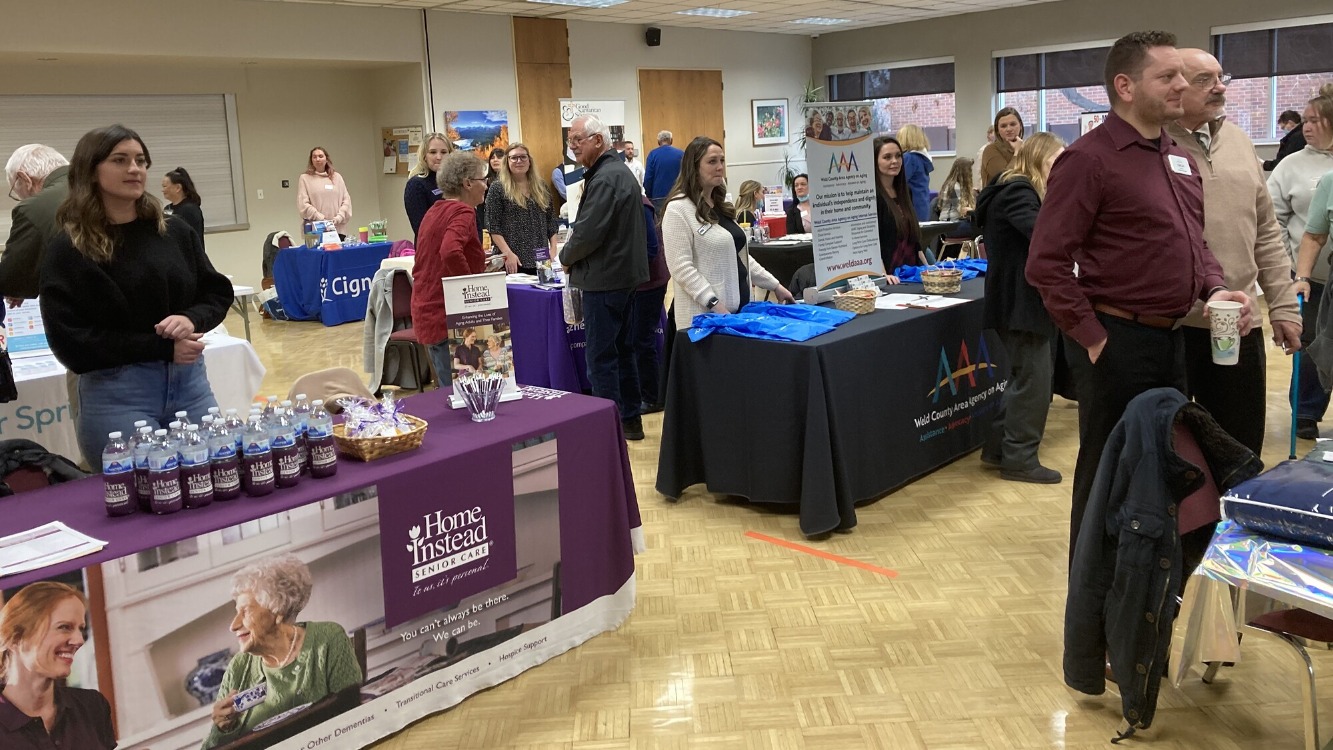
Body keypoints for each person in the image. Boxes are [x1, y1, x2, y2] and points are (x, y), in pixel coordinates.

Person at [1025, 31, 1252, 561]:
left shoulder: (1176, 155)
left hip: (1171, 341)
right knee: (1108, 475)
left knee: (1163, 472)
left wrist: (1217, 288)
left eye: (1184, 75)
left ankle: (1148, 587)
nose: (1182, 86)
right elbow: (1046, 264)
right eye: (1167, 76)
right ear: (1124, 86)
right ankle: (1092, 612)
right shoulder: (1088, 160)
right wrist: (1093, 338)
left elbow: (1195, 244)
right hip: (1117, 344)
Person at [40, 124, 233, 467]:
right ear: (90, 170)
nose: (135, 169)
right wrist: (161, 346)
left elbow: (215, 292)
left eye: (141, 160)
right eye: (120, 160)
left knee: (215, 483)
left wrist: (191, 318)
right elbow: (73, 343)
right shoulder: (68, 249)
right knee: (139, 503)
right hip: (117, 395)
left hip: (191, 385)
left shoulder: (173, 231)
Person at [1166, 48, 1301, 455]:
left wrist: (1282, 306)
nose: (1219, 87)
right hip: (1168, 329)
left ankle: (1231, 519)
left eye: (1221, 77)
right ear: (1176, 87)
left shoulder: (1240, 142)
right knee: (1171, 454)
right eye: (1205, 80)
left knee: (1240, 448)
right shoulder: (1152, 145)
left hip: (1237, 324)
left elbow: (1267, 234)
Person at [976, 132, 1067, 483]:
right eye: (1055, 161)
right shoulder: (1019, 191)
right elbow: (1045, 236)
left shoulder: (1017, 190)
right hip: (1021, 305)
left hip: (1017, 303)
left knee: (1024, 379)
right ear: (1038, 159)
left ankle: (999, 450)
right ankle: (1019, 459)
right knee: (1034, 383)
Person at [205, 554, 361, 749]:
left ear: (277, 611)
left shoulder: (327, 639)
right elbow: (210, 748)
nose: (233, 625)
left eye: (245, 611)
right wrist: (222, 727)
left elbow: (355, 715)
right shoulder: (239, 667)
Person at [558, 115, 649, 441]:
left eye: (577, 140)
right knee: (622, 352)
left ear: (597, 140)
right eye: (571, 141)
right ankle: (629, 422)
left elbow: (587, 234)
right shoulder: (615, 173)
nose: (572, 146)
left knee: (601, 358)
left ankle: (607, 432)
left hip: (605, 279)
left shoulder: (607, 177)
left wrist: (565, 257)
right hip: (622, 278)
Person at [662, 136, 794, 330]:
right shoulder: (678, 209)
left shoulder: (722, 207)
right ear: (694, 166)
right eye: (712, 161)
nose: (720, 167)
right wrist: (714, 304)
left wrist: (775, 286)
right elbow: (681, 269)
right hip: (705, 320)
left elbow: (740, 257)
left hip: (738, 313)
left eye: (722, 160)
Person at [1274, 85, 1333, 437]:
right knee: (1311, 344)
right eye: (1305, 120)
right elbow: (1274, 217)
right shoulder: (1292, 164)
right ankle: (1306, 412)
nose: (1306, 127)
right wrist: (1291, 265)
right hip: (1311, 276)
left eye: (1315, 120)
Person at [0, 582, 115, 750]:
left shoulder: (91, 706)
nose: (79, 640)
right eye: (64, 627)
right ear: (16, 638)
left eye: (80, 629)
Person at [412, 151, 489, 382]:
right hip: (446, 313)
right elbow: (450, 251)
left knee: (449, 389)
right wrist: (469, 287)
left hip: (428, 308)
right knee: (460, 393)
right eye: (483, 180)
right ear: (467, 183)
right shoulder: (463, 211)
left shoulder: (434, 210)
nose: (486, 186)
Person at [0, 145, 69, 307]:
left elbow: (11, 280)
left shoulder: (36, 207)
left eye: (20, 195)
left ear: (24, 179)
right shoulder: (100, 183)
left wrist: (18, 286)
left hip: (90, 324)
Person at [485, 143, 559, 274]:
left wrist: (553, 249)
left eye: (523, 157)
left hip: (541, 258)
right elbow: (493, 226)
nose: (519, 161)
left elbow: (551, 221)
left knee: (543, 292)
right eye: (514, 158)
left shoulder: (541, 186)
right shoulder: (497, 188)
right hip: (513, 259)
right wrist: (507, 254)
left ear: (529, 160)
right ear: (507, 161)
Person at [632, 194, 669, 414]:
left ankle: (652, 397)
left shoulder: (641, 204)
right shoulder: (638, 202)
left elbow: (650, 248)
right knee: (638, 339)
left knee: (641, 340)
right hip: (641, 282)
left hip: (648, 283)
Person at [873, 136, 920, 278]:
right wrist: (882, 275)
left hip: (912, 272)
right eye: (887, 157)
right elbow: (874, 243)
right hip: (890, 275)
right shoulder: (872, 197)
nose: (894, 161)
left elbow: (915, 242)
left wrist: (929, 268)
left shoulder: (906, 192)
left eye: (898, 156)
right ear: (875, 161)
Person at [403, 132, 452, 239]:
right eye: (433, 152)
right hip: (431, 249)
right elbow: (422, 229)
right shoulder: (416, 185)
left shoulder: (456, 182)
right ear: (424, 156)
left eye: (444, 152)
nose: (439, 157)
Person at [297, 146, 352, 237]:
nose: (318, 159)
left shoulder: (337, 177)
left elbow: (346, 201)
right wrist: (319, 217)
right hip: (315, 230)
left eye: (320, 156)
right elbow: (303, 204)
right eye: (314, 157)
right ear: (311, 161)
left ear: (326, 159)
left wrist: (338, 218)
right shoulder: (305, 178)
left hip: (338, 229)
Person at [896, 124, 934, 221]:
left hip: (912, 208)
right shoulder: (922, 158)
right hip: (922, 206)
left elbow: (899, 182)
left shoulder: (909, 158)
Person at [980, 108, 1025, 185]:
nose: (1009, 129)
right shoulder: (991, 150)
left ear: (1020, 125)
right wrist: (1017, 152)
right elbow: (1004, 180)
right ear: (997, 130)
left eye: (1013, 124)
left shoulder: (1028, 148)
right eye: (1003, 126)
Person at [161, 167, 204, 245]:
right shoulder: (167, 208)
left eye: (165, 186)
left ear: (178, 188)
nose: (163, 190)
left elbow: (192, 239)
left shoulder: (190, 209)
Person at [643, 130, 684, 211]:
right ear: (671, 140)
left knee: (660, 222)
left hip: (658, 197)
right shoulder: (681, 154)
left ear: (658, 141)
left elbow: (648, 178)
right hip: (678, 195)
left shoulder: (652, 155)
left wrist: (649, 195)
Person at [937, 157, 976, 232]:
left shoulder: (954, 185)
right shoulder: (954, 187)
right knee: (981, 229)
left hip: (954, 223)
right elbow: (962, 211)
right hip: (950, 225)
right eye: (970, 170)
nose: (971, 173)